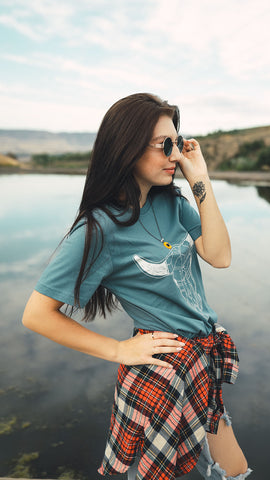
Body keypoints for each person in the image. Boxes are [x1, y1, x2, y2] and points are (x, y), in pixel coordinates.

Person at [22, 93, 252, 480]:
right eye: (164, 145)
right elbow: (36, 315)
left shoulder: (173, 203)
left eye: (177, 143)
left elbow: (219, 255)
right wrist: (117, 349)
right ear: (127, 149)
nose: (174, 155)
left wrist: (201, 181)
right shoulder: (100, 228)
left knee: (234, 470)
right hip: (159, 368)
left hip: (201, 358)